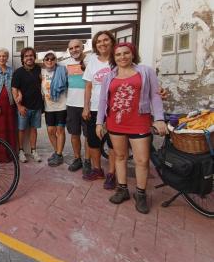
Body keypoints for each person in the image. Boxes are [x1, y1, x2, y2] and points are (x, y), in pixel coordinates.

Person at [96, 42, 167, 214]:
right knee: (120, 156)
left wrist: (159, 119)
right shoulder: (109, 77)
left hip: (139, 122)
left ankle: (141, 194)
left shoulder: (145, 71)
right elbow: (103, 101)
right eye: (118, 54)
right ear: (114, 57)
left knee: (142, 160)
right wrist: (99, 122)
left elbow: (155, 97)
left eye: (126, 53)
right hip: (115, 123)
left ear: (133, 54)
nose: (122, 57)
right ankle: (122, 189)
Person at [82, 31, 116, 189]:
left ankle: (112, 173)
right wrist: (86, 107)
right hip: (95, 107)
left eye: (105, 40)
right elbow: (88, 86)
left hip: (115, 109)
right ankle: (98, 170)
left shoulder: (119, 59)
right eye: (99, 41)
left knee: (113, 143)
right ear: (95, 45)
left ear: (111, 41)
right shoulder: (92, 62)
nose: (102, 44)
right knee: (93, 141)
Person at [62, 39, 92, 173]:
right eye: (71, 48)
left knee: (88, 135)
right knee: (74, 134)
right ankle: (77, 158)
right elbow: (48, 66)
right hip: (72, 104)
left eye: (77, 47)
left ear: (82, 47)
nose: (74, 50)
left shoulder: (91, 61)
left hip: (88, 105)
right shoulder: (66, 63)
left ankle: (88, 161)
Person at [11, 47, 43, 163]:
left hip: (37, 106)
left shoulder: (39, 70)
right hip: (23, 107)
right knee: (21, 129)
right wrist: (19, 106)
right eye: (26, 56)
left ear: (34, 57)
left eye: (31, 55)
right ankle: (21, 151)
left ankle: (34, 151)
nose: (29, 58)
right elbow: (14, 89)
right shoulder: (18, 72)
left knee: (34, 129)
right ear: (23, 59)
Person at [41, 51, 68, 167]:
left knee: (60, 130)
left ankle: (59, 153)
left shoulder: (63, 70)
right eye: (47, 59)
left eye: (52, 59)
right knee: (51, 131)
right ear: (44, 61)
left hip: (62, 106)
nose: (49, 61)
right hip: (49, 107)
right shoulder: (41, 72)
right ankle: (58, 153)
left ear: (56, 60)